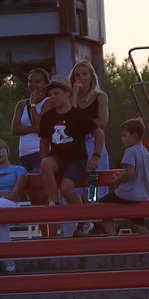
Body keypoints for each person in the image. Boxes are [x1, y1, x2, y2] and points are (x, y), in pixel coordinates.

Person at [33, 79, 95, 222]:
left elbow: (99, 134)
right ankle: (54, 203)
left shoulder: (78, 114)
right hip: (57, 159)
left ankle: (84, 221)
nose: (52, 97)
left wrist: (96, 156)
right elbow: (44, 141)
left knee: (66, 188)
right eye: (50, 95)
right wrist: (44, 160)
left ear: (67, 93)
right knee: (45, 164)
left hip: (76, 159)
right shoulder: (47, 117)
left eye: (56, 93)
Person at [93, 118, 149, 233]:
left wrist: (118, 180)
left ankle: (114, 237)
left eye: (124, 135)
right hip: (142, 195)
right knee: (139, 226)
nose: (122, 139)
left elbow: (129, 172)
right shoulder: (145, 152)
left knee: (101, 207)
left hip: (128, 194)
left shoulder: (130, 151)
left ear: (134, 136)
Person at [11, 66, 51, 178]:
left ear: (45, 84)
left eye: (37, 81)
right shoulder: (21, 104)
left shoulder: (48, 103)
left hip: (39, 152)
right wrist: (33, 128)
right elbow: (15, 129)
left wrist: (33, 105)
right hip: (24, 153)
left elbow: (41, 127)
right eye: (30, 81)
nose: (33, 84)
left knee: (40, 189)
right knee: (30, 189)